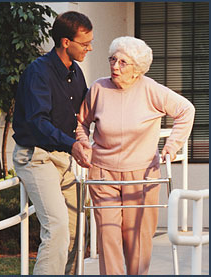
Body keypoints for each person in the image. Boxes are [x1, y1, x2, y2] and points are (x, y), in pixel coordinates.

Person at [76, 36, 195, 275]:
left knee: (138, 237)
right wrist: (82, 143)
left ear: (137, 69)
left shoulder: (151, 89)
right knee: (108, 236)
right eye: (112, 59)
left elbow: (186, 110)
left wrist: (172, 145)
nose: (115, 66)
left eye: (122, 62)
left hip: (142, 175)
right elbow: (81, 123)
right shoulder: (98, 88)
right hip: (103, 173)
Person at [12, 11, 93, 275]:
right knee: (56, 227)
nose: (89, 48)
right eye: (85, 43)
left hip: (62, 157)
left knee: (74, 228)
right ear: (66, 42)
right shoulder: (39, 72)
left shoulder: (76, 72)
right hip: (35, 157)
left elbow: (83, 114)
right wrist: (73, 145)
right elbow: (38, 122)